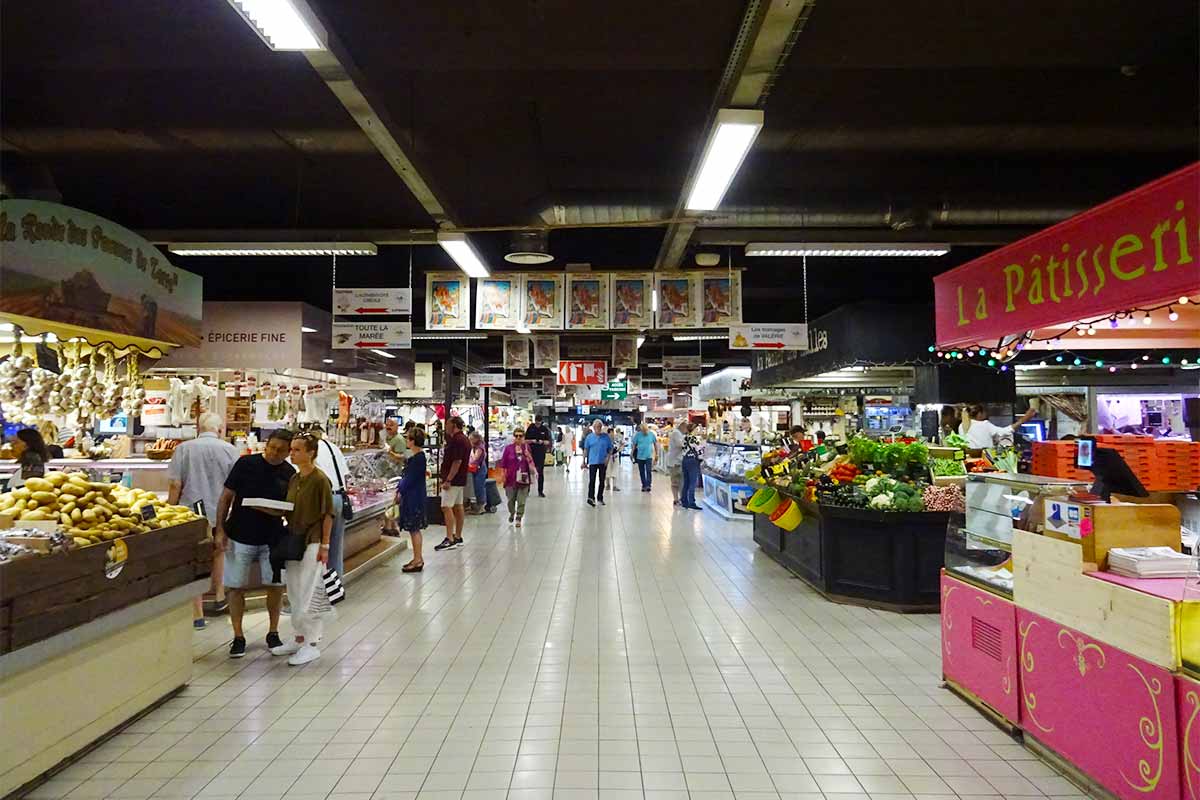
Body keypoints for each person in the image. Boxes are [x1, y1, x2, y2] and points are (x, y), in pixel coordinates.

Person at [216, 429, 295, 658]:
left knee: (275, 586)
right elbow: (226, 497)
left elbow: (290, 508)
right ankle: (238, 636)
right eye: (272, 447)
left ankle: (273, 632)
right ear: (266, 445)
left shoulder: (289, 473)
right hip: (239, 535)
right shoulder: (245, 464)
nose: (274, 453)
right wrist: (220, 529)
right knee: (235, 586)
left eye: (281, 450)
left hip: (272, 538)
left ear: (288, 452)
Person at [167, 412, 239, 629]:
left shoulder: (183, 449)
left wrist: (168, 511)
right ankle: (218, 597)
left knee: (194, 560)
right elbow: (236, 486)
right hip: (221, 510)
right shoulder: (230, 450)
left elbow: (175, 485)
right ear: (219, 429)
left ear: (198, 428)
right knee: (219, 551)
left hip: (191, 512)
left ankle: (197, 613)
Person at [270, 434, 334, 667]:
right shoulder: (295, 479)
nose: (292, 453)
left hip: (313, 541)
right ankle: (298, 637)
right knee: (295, 590)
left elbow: (328, 514)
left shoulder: (320, 480)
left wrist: (325, 545)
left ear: (311, 453)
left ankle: (312, 643)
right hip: (294, 541)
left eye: (297, 450)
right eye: (292, 450)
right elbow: (291, 508)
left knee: (310, 590)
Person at [312, 428, 351, 579]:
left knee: (318, 546)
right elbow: (345, 475)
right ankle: (335, 585)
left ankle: (319, 588)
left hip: (321, 500)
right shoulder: (332, 447)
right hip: (339, 498)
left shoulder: (308, 450)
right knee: (336, 546)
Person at [435, 416, 470, 551]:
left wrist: (448, 479)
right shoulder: (464, 439)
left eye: (448, 424)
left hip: (453, 480)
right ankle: (458, 536)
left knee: (446, 507)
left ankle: (450, 538)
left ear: (454, 425)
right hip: (460, 479)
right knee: (458, 506)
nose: (446, 426)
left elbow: (457, 461)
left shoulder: (457, 440)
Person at [397, 428, 428, 573]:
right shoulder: (417, 457)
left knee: (414, 529)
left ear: (413, 441)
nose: (406, 441)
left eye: (408, 438)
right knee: (414, 529)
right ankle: (417, 558)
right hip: (415, 496)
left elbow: (409, 479)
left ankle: (417, 560)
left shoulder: (418, 458)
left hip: (414, 498)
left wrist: (399, 489)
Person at [499, 429, 537, 526]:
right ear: (514, 437)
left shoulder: (526, 448)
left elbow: (531, 462)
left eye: (521, 436)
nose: (518, 438)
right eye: (516, 436)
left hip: (523, 478)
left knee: (521, 500)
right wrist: (503, 475)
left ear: (524, 437)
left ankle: (519, 517)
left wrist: (527, 456)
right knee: (510, 500)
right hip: (510, 478)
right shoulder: (508, 448)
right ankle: (512, 512)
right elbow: (503, 463)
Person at [960, 403, 1038, 450]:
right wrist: (1023, 419)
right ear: (980, 414)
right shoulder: (984, 424)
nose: (987, 415)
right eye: (985, 412)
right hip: (983, 457)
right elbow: (1004, 432)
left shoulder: (961, 426)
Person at [380, 418, 406, 535]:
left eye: (392, 425)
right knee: (387, 502)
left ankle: (392, 526)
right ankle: (388, 526)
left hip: (392, 475)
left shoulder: (399, 439)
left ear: (397, 426)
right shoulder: (385, 438)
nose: (388, 427)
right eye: (387, 425)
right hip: (383, 473)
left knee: (392, 502)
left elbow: (400, 457)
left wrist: (389, 452)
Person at [581, 420, 613, 507]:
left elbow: (610, 449)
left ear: (601, 427)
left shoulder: (606, 437)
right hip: (592, 461)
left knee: (602, 480)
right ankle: (590, 497)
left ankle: (600, 498)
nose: (597, 428)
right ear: (593, 428)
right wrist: (583, 461)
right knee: (592, 480)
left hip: (603, 462)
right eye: (596, 427)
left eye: (599, 427)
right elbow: (586, 449)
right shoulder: (589, 437)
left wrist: (607, 458)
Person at [524, 415, 552, 497]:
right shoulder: (530, 428)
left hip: (540, 453)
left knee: (540, 472)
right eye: (536, 422)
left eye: (539, 423)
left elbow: (548, 442)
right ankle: (527, 490)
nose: (537, 424)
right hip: (530, 453)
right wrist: (532, 441)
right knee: (528, 471)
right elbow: (525, 440)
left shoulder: (544, 429)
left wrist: (542, 442)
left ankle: (540, 491)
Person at [680, 425, 704, 510]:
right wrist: (702, 459)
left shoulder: (684, 438)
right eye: (697, 429)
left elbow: (682, 448)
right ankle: (691, 502)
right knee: (693, 482)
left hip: (685, 460)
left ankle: (684, 500)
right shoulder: (695, 439)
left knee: (686, 481)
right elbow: (699, 451)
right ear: (693, 430)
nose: (698, 430)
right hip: (693, 461)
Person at [466, 432, 488, 514]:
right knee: (475, 487)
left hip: (480, 470)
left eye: (471, 439)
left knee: (479, 487)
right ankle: (476, 505)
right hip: (475, 469)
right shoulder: (475, 447)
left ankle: (481, 506)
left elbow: (475, 459)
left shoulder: (480, 448)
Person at [632, 423, 658, 492]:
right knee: (642, 471)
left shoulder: (651, 434)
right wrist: (631, 453)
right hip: (640, 456)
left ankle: (648, 485)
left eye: (645, 430)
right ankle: (644, 485)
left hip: (648, 456)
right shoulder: (638, 435)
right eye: (643, 430)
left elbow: (655, 444)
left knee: (648, 471)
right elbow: (634, 445)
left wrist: (657, 454)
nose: (644, 432)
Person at [666, 423, 686, 506]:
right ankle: (677, 499)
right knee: (677, 482)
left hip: (676, 461)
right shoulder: (676, 433)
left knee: (679, 482)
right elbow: (680, 444)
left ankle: (679, 498)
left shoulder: (677, 433)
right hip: (675, 462)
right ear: (682, 427)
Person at [607, 426, 625, 492]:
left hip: (615, 456)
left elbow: (622, 444)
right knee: (607, 471)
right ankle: (607, 485)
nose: (611, 434)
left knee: (615, 471)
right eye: (610, 432)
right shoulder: (606, 439)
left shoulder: (618, 437)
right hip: (607, 456)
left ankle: (614, 485)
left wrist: (620, 450)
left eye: (612, 432)